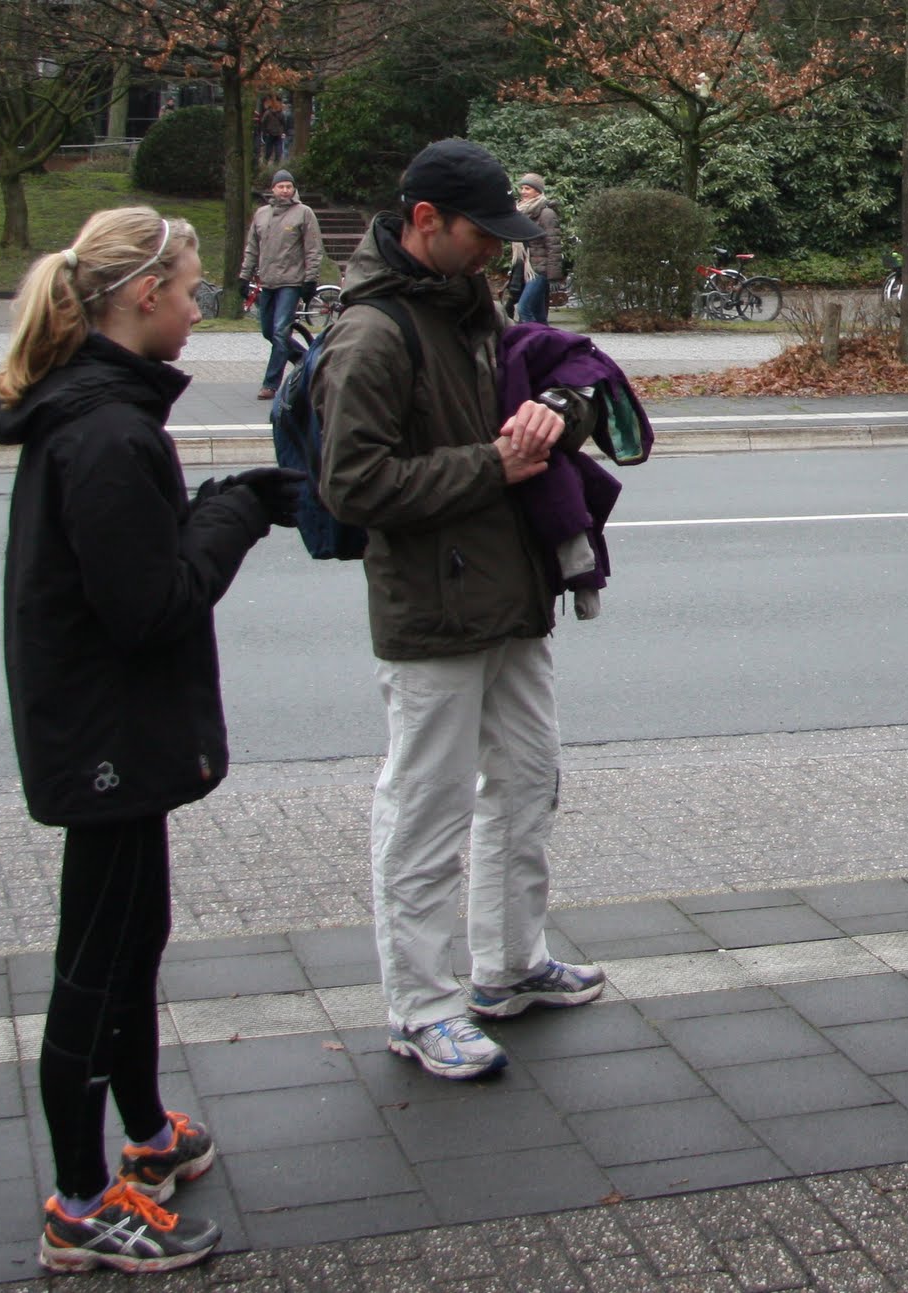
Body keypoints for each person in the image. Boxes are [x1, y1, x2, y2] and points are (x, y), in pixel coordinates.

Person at [0, 207, 305, 1272]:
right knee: (95, 961)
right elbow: (150, 606)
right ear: (144, 295)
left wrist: (223, 503)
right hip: (102, 732)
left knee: (134, 934)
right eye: (193, 290)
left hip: (108, 724)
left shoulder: (100, 411)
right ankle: (77, 1205)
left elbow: (131, 567)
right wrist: (235, 513)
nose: (202, 307)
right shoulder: (108, 432)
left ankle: (148, 1135)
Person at [314, 139, 605, 1082]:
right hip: (433, 608)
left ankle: (510, 965)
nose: (495, 250)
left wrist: (557, 406)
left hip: (508, 590)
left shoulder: (466, 303)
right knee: (426, 808)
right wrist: (494, 464)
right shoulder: (371, 334)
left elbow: (549, 384)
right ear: (424, 221)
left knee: (528, 779)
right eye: (483, 233)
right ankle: (422, 1005)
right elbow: (353, 486)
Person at [239, 168, 324, 400]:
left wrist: (310, 279)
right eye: (281, 186)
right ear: (273, 189)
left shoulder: (304, 213)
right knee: (269, 331)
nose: (285, 190)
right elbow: (252, 248)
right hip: (267, 282)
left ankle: (270, 384)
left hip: (291, 282)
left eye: (289, 186)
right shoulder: (261, 214)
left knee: (280, 331)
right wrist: (244, 276)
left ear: (294, 189)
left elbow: (313, 249)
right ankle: (307, 361)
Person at [510, 172, 561, 324]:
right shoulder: (522, 212)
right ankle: (546, 337)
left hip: (539, 270)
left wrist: (553, 277)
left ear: (538, 191)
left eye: (528, 188)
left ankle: (533, 337)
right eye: (522, 188)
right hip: (526, 268)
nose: (523, 192)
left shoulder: (546, 213)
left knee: (523, 309)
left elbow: (553, 246)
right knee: (539, 315)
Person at [258, 95, 287, 164]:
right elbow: (263, 122)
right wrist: (265, 132)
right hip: (271, 134)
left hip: (276, 134)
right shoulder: (269, 113)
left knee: (276, 151)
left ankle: (273, 164)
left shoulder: (277, 113)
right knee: (270, 151)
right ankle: (267, 163)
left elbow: (283, 123)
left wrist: (283, 131)